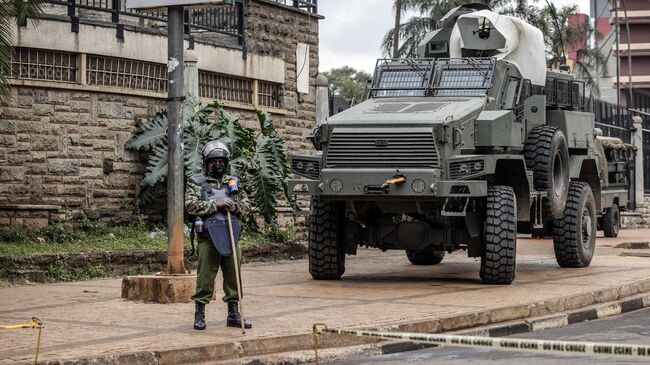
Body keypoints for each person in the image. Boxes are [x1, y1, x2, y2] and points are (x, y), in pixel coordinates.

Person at [185, 140, 252, 330]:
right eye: (213, 161)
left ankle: (233, 313)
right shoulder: (196, 182)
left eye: (221, 161)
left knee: (234, 277)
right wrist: (217, 204)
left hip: (231, 235)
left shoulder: (233, 183)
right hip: (207, 237)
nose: (218, 165)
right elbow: (190, 205)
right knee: (205, 278)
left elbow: (247, 206)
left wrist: (236, 206)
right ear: (206, 163)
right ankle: (200, 314)